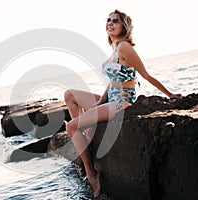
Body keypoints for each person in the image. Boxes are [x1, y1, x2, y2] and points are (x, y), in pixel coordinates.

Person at [64, 9, 181, 198]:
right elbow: (113, 81)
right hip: (111, 98)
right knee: (69, 95)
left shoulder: (125, 47)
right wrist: (100, 101)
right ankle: (85, 133)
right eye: (108, 20)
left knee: (71, 126)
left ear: (123, 26)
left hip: (122, 102)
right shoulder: (115, 48)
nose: (110, 23)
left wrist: (170, 94)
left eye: (115, 21)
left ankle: (92, 174)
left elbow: (145, 75)